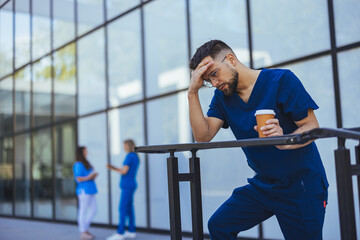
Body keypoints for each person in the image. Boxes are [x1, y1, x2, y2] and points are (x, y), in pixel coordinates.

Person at [188, 40, 329, 240]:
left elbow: (312, 126)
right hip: (265, 185)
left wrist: (284, 139)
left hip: (302, 186)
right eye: (208, 81)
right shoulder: (222, 97)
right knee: (219, 225)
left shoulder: (281, 80)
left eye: (214, 74)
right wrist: (192, 92)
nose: (215, 83)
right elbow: (202, 137)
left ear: (230, 59)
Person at [106, 139, 140, 240]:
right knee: (129, 208)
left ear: (128, 146)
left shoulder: (129, 156)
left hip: (127, 185)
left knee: (122, 208)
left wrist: (111, 167)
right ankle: (131, 231)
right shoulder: (135, 156)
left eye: (124, 145)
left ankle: (120, 233)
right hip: (131, 184)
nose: (123, 147)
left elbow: (124, 171)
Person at [73, 146, 98, 240]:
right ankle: (83, 231)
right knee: (83, 211)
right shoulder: (78, 164)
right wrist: (89, 177)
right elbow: (78, 178)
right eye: (85, 151)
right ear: (81, 152)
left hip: (91, 189)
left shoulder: (86, 163)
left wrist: (93, 176)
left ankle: (85, 229)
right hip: (84, 190)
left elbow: (89, 176)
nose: (87, 152)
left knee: (94, 210)